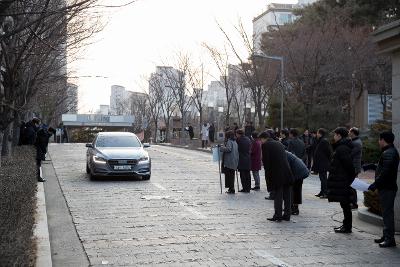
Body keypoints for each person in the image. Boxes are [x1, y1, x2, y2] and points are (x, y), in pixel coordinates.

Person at [368, 131, 399, 248]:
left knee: (387, 214)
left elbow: (385, 172)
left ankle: (389, 239)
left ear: (383, 140)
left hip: (387, 188)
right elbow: (384, 168)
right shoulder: (389, 152)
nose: (378, 142)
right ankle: (386, 236)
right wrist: (372, 166)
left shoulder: (389, 152)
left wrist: (375, 184)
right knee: (385, 213)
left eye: (379, 139)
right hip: (386, 187)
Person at [260, 130, 294, 222]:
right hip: (287, 171)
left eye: (261, 140)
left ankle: (278, 215)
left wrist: (268, 175)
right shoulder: (278, 143)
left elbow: (266, 162)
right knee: (287, 194)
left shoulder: (265, 145)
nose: (260, 142)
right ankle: (287, 215)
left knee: (278, 195)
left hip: (277, 173)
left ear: (264, 138)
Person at [328, 127, 356, 234]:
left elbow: (348, 165)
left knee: (345, 204)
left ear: (339, 135)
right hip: (342, 180)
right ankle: (345, 225)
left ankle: (347, 227)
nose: (333, 137)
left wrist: (349, 179)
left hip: (343, 180)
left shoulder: (342, 148)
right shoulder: (341, 147)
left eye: (335, 135)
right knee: (344, 204)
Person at [286, 151, 310, 215]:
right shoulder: (287, 153)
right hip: (301, 170)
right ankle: (292, 207)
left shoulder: (285, 155)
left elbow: (288, 169)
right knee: (295, 190)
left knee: (296, 190)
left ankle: (295, 209)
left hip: (300, 172)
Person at [313, 128, 332, 198]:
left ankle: (325, 193)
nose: (316, 134)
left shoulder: (324, 141)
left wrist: (327, 160)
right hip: (321, 163)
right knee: (322, 178)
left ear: (320, 134)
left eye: (317, 133)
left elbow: (329, 152)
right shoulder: (320, 140)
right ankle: (322, 192)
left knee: (323, 178)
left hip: (323, 163)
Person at [349, 127, 362, 209]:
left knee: (352, 185)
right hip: (353, 166)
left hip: (354, 167)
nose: (348, 133)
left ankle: (354, 203)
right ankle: (352, 202)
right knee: (351, 184)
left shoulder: (356, 143)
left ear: (353, 133)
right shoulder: (355, 141)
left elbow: (351, 154)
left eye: (349, 132)